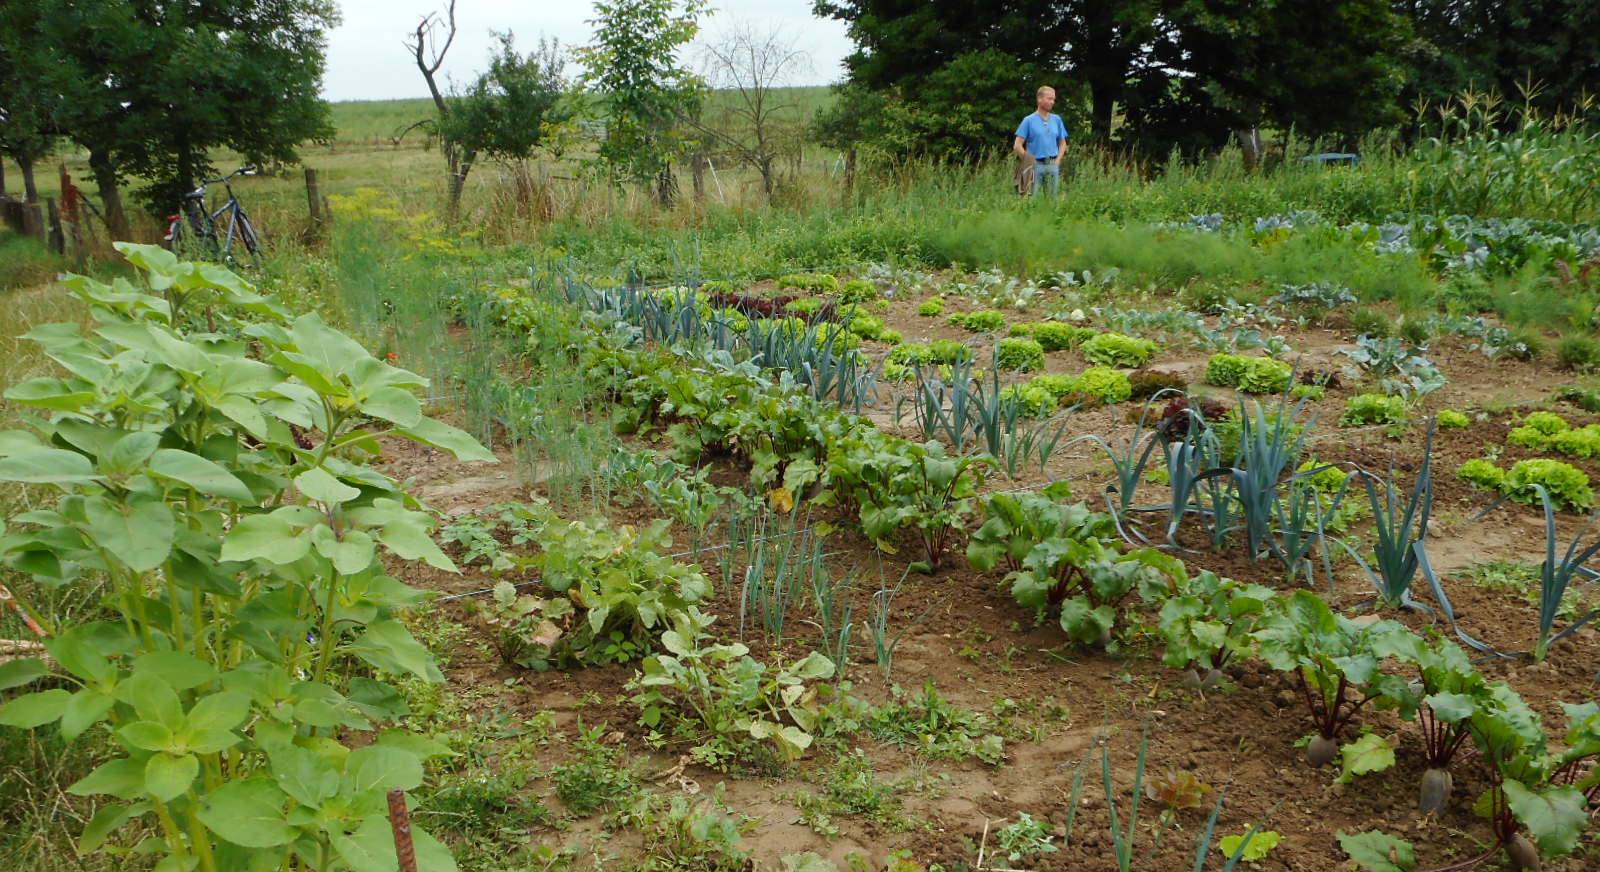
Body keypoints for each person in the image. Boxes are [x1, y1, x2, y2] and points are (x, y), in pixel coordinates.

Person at [1013, 86, 1068, 197]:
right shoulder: (1028, 120)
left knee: (1052, 200)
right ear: (1039, 99)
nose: (1052, 102)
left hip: (1052, 164)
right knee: (1032, 199)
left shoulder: (1057, 119)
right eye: (1049, 98)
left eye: (1053, 99)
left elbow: (1063, 143)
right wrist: (1029, 161)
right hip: (1035, 165)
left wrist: (1058, 161)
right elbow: (1017, 145)